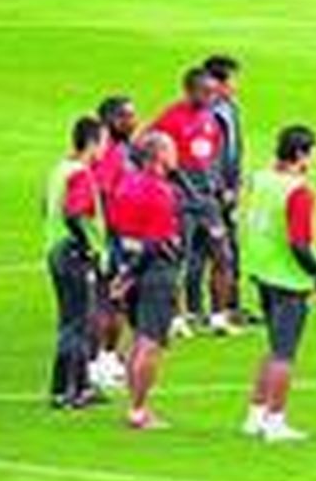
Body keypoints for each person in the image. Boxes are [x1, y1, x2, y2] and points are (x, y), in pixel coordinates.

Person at [240, 125, 316, 442]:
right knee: (285, 353)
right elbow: (299, 243)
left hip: (261, 269)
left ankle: (255, 413)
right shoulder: (298, 191)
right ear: (301, 154)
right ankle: (275, 420)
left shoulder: (261, 179)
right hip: (288, 277)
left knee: (273, 344)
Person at [107, 132, 183, 430]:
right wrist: (131, 275)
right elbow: (155, 243)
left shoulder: (125, 183)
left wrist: (123, 272)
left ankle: (135, 404)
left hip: (130, 263)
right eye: (172, 150)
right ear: (159, 156)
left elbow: (116, 229)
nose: (176, 156)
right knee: (150, 343)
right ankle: (138, 410)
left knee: (138, 338)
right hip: (155, 271)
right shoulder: (161, 191)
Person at [148, 66, 230, 338]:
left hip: (208, 201)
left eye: (213, 91)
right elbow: (145, 146)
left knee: (222, 256)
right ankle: (176, 317)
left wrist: (220, 187)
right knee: (177, 259)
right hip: (180, 201)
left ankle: (218, 317)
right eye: (205, 91)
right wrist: (166, 184)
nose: (211, 96)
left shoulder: (211, 119)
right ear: (189, 90)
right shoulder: (170, 119)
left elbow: (215, 155)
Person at [44, 117, 108, 409]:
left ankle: (72, 386)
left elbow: (46, 207)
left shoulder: (59, 170)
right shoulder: (81, 174)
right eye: (102, 142)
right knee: (79, 322)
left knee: (71, 320)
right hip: (74, 255)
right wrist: (87, 247)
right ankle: (69, 389)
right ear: (93, 142)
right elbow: (74, 213)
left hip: (55, 250)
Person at [88, 95, 140, 390]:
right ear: (111, 121)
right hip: (114, 237)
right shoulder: (112, 153)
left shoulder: (119, 148)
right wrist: (116, 232)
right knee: (111, 300)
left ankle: (104, 357)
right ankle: (99, 361)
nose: (134, 121)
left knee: (113, 299)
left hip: (115, 235)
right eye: (127, 117)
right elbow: (105, 194)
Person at [205, 54, 249, 326]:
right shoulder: (207, 113)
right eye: (232, 80)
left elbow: (235, 150)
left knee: (230, 248)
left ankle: (231, 306)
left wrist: (236, 183)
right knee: (211, 252)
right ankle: (205, 311)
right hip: (211, 193)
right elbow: (209, 157)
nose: (236, 85)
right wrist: (221, 189)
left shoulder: (230, 108)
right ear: (217, 83)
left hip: (229, 188)